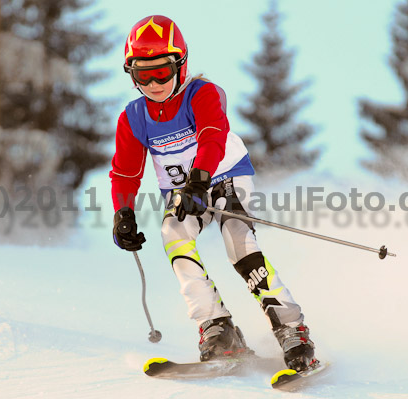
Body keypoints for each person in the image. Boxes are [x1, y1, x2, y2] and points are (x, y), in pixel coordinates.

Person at [110, 15, 317, 371]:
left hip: (224, 175)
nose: (155, 82)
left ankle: (291, 328)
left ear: (180, 65)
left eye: (162, 71)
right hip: (186, 190)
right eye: (144, 74)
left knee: (237, 239)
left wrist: (199, 181)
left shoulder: (200, 93)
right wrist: (123, 213)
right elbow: (126, 174)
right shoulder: (133, 117)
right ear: (132, 74)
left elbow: (211, 137)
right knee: (172, 232)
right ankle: (217, 326)